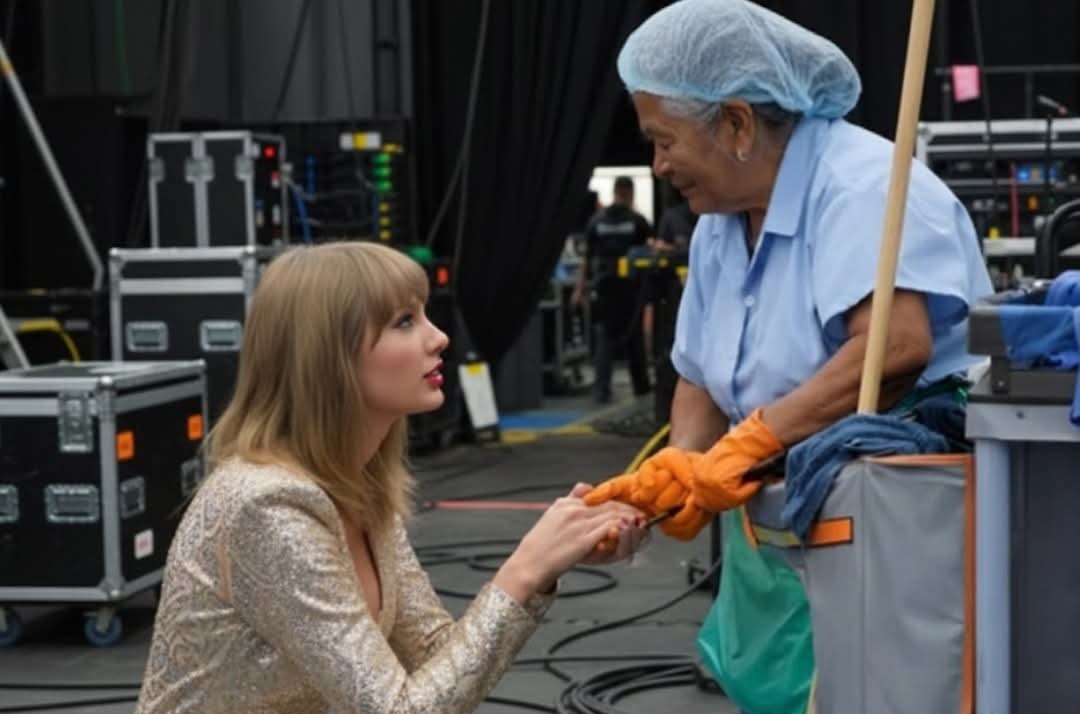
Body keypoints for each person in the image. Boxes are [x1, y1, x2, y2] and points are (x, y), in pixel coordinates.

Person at [582, 0, 993, 698]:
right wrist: (684, 461)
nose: (656, 163)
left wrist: (750, 442)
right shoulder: (721, 218)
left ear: (737, 123)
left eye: (663, 139)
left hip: (891, 514)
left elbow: (894, 347)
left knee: (883, 690)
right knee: (785, 688)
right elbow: (699, 376)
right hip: (780, 515)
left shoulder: (862, 186)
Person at [135, 242, 647, 714]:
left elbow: (435, 660)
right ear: (329, 360)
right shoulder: (266, 506)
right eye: (405, 321)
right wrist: (523, 572)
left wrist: (553, 559)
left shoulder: (356, 488)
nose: (439, 336)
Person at [573, 176, 653, 402]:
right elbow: (650, 251)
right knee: (634, 337)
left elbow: (587, 258)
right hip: (631, 288)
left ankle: (602, 390)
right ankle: (642, 387)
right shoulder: (637, 221)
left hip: (604, 286)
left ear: (615, 192)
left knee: (604, 338)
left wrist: (580, 288)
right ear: (629, 193)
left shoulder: (597, 221)